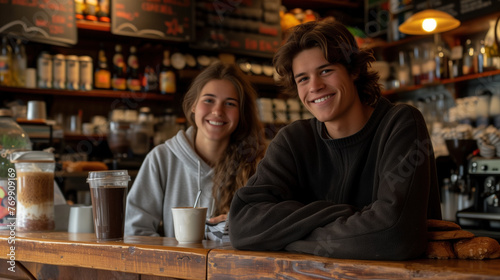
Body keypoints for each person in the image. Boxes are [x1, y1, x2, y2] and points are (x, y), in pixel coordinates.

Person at [228, 18, 442, 260]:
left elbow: (394, 235)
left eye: (325, 71)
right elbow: (243, 225)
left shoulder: (400, 124)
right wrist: (352, 214)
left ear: (354, 70)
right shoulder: (293, 140)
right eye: (303, 79)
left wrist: (286, 236)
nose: (315, 86)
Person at [125, 61, 266, 239]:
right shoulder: (161, 159)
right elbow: (135, 231)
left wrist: (233, 226)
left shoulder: (258, 163)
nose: (217, 111)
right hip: (174, 267)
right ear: (193, 105)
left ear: (241, 113)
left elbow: (273, 229)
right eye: (209, 100)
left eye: (230, 104)